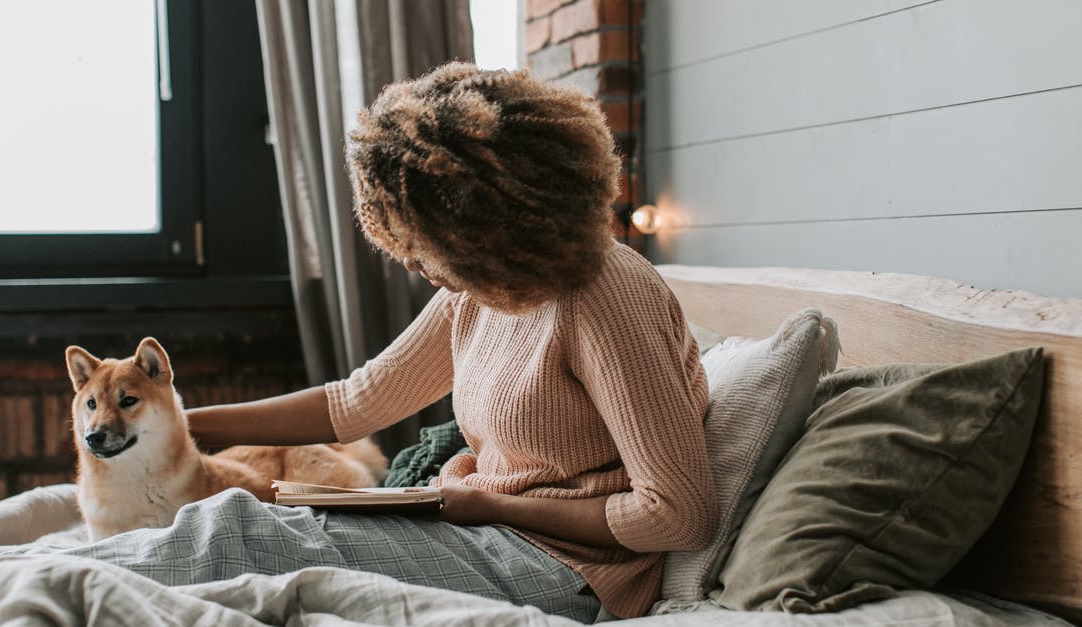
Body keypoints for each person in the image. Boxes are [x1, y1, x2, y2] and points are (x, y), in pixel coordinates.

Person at [185, 63, 716, 622]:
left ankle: (81, 594)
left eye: (427, 242)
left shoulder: (604, 293)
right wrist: (185, 422)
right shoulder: (487, 284)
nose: (414, 263)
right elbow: (356, 402)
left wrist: (493, 503)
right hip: (485, 531)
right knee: (236, 522)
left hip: (567, 570)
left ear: (487, 221)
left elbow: (678, 514)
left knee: (237, 538)